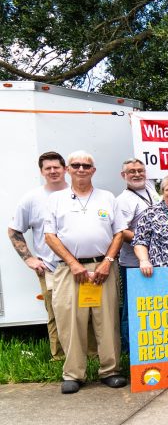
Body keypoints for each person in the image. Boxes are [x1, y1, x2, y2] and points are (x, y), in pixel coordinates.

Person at [44, 150, 126, 394]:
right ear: (68, 169)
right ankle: (73, 374)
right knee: (70, 322)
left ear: (94, 170)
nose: (81, 169)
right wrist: (73, 263)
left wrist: (108, 261)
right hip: (70, 270)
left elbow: (119, 233)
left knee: (107, 321)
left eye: (86, 166)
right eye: (76, 165)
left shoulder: (107, 197)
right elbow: (50, 236)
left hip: (103, 268)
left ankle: (110, 370)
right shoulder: (56, 199)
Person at [8, 151, 68, 360]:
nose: (52, 171)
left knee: (86, 311)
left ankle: (90, 356)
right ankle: (59, 357)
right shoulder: (32, 199)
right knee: (55, 313)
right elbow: (14, 230)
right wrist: (29, 258)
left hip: (80, 265)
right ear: (41, 172)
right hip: (50, 267)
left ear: (65, 169)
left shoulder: (76, 194)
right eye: (47, 168)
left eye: (56, 167)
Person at [114, 158, 159, 352]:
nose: (137, 174)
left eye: (140, 170)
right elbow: (121, 231)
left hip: (154, 261)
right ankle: (129, 349)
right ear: (123, 175)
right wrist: (148, 241)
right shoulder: (124, 200)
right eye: (132, 171)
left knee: (150, 305)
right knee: (132, 307)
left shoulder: (150, 190)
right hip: (133, 263)